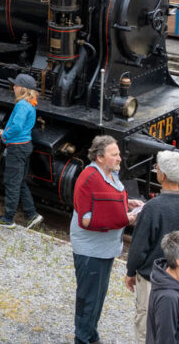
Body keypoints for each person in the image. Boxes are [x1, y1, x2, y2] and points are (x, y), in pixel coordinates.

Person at [71, 135, 144, 344]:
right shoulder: (89, 177)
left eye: (119, 153)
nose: (120, 158)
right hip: (91, 250)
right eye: (115, 154)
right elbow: (87, 218)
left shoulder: (109, 174)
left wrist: (126, 203)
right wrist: (124, 218)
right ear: (100, 157)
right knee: (88, 298)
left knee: (97, 296)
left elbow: (105, 200)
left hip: (105, 248)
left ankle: (91, 335)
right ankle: (83, 339)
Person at [125, 151, 179, 344]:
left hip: (152, 277)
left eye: (158, 168)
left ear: (163, 176)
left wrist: (130, 270)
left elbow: (139, 246)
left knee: (146, 324)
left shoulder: (153, 207)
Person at [0, 73, 43, 229]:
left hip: (17, 147)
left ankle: (8, 218)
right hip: (25, 145)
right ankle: (31, 214)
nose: (13, 87)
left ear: (23, 89)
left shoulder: (21, 105)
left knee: (12, 182)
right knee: (19, 182)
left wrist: (4, 135)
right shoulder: (31, 104)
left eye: (16, 85)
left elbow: (17, 126)